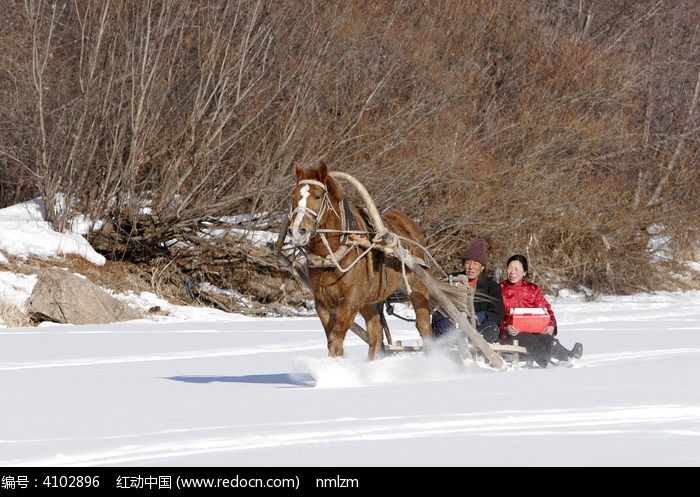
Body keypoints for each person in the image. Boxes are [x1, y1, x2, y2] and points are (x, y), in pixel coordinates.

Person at [499, 254, 583, 367]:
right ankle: (546, 364)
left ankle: (567, 357)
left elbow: (546, 310)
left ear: (524, 272)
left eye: (516, 269)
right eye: (510, 268)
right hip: (511, 336)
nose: (512, 272)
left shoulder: (532, 289)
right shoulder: (499, 289)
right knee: (528, 338)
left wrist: (551, 325)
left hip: (534, 333)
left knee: (546, 339)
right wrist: (505, 328)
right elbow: (495, 315)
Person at [431, 239, 504, 343]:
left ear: (482, 267)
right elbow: (438, 302)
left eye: (476, 263)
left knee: (491, 327)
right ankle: (453, 338)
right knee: (438, 317)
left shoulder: (492, 287)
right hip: (451, 324)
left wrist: (480, 317)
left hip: (476, 327)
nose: (471, 267)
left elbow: (498, 315)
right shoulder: (452, 279)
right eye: (468, 262)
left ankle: (468, 338)